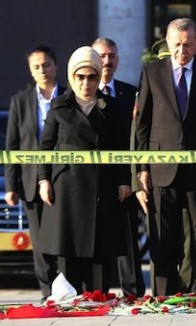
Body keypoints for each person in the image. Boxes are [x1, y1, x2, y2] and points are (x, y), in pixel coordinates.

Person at [135, 18, 196, 295]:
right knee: (164, 237)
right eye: (177, 44)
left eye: (188, 44)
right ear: (167, 43)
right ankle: (166, 293)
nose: (182, 50)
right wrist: (142, 168)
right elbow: (142, 124)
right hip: (162, 168)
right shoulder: (152, 72)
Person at [37, 46, 132, 293]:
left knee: (102, 249)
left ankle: (98, 299)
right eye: (81, 76)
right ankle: (70, 300)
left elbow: (122, 147)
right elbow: (45, 147)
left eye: (92, 76)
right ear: (71, 76)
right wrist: (43, 180)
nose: (86, 82)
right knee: (68, 249)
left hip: (103, 188)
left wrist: (124, 181)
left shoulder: (111, 106)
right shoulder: (59, 106)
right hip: (67, 190)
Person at [5, 45, 63, 300]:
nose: (43, 70)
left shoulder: (69, 97)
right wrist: (11, 186)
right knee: (39, 242)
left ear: (56, 66)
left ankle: (67, 290)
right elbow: (12, 145)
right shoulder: (20, 102)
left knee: (63, 237)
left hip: (63, 179)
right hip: (30, 182)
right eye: (37, 67)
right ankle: (47, 292)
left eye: (47, 64)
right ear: (31, 71)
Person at [91, 37, 145, 297]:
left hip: (126, 177)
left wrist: (131, 176)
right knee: (97, 237)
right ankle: (97, 292)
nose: (107, 61)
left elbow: (136, 137)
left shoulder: (130, 93)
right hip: (95, 179)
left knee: (128, 238)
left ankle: (132, 291)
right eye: (101, 56)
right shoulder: (82, 94)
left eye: (111, 55)